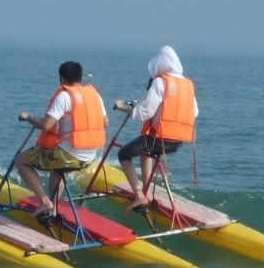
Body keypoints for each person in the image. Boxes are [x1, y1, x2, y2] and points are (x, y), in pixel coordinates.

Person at [113, 46, 198, 215]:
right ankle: (146, 189)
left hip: (158, 139)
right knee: (145, 151)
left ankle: (139, 196)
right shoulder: (187, 85)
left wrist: (122, 107)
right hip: (178, 141)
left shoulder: (160, 82)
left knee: (123, 153)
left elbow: (144, 113)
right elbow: (194, 112)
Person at [15, 61, 108, 217]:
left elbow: (46, 125)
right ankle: (54, 208)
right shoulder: (95, 96)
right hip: (89, 158)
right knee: (58, 170)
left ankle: (44, 201)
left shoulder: (65, 96)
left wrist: (28, 118)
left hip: (67, 157)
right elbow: (105, 122)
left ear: (62, 79)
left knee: (20, 160)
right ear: (82, 77)